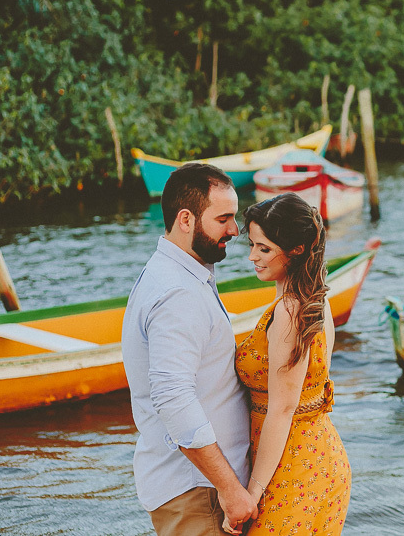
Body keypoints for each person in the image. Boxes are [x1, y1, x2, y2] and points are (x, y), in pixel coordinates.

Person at [122, 162, 258, 536]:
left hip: (201, 488)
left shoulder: (181, 274)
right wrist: (230, 490)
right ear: (186, 219)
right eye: (224, 218)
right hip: (199, 492)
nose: (235, 229)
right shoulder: (177, 292)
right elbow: (173, 397)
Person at [235, 192, 351, 534]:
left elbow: (283, 409)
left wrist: (251, 494)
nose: (253, 256)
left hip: (292, 466)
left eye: (264, 248)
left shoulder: (288, 312)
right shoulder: (317, 300)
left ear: (297, 250)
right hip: (320, 456)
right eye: (253, 245)